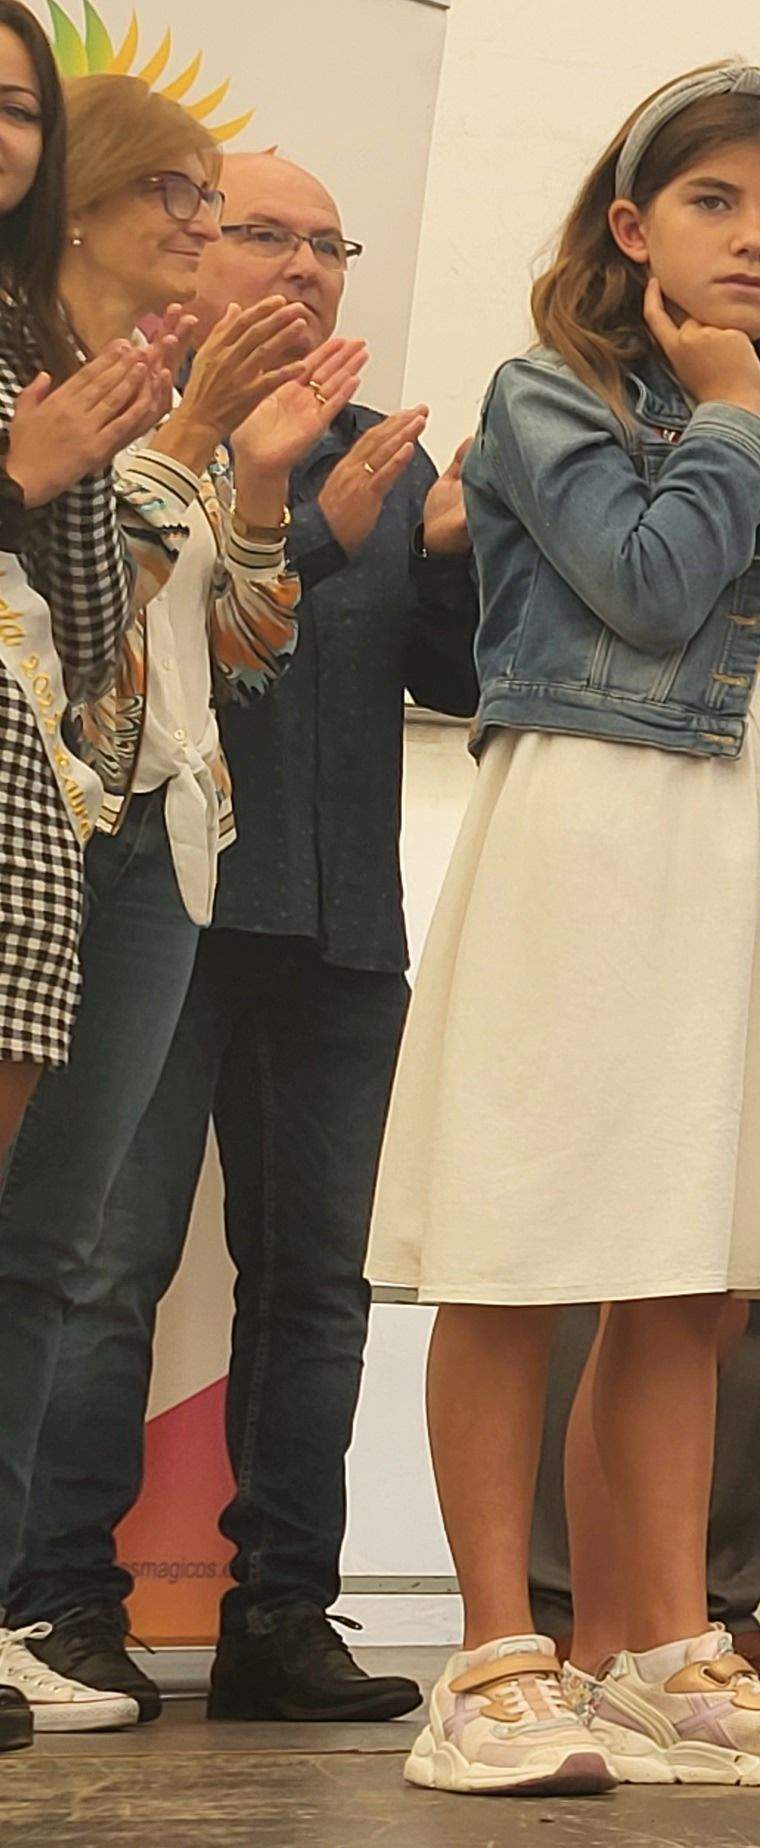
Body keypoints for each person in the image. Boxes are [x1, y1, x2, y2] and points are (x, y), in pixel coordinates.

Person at [363, 61, 760, 1794]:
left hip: (728, 848)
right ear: (629, 222)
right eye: (716, 201)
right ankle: (496, 1658)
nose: (756, 237)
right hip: (586, 830)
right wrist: (733, 414)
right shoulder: (549, 389)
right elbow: (650, 584)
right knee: (523, 1246)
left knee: (687, 1265)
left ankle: (657, 1648)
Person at [1, 147, 464, 1734]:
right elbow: (151, 645)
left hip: (339, 919)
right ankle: (57, 1602)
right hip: (154, 903)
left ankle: (283, 1612)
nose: (301, 265)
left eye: (330, 242)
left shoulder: (388, 458)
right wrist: (296, 519)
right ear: (182, 251)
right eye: (261, 232)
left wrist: (470, 544)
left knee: (318, 1287)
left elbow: (448, 675)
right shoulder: (112, 415)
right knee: (101, 1265)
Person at [519, 347, 760, 1709]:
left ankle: (696, 1619)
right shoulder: (574, 423)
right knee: (608, 1273)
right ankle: (571, 1622)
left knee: (736, 1290)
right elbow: (647, 599)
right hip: (633, 872)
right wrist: (729, 426)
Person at [0, 9, 173, 1752]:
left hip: (31, 827)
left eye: (18, 111)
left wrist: (136, 455)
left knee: (30, 1248)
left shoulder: (27, 341)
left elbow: (105, 638)